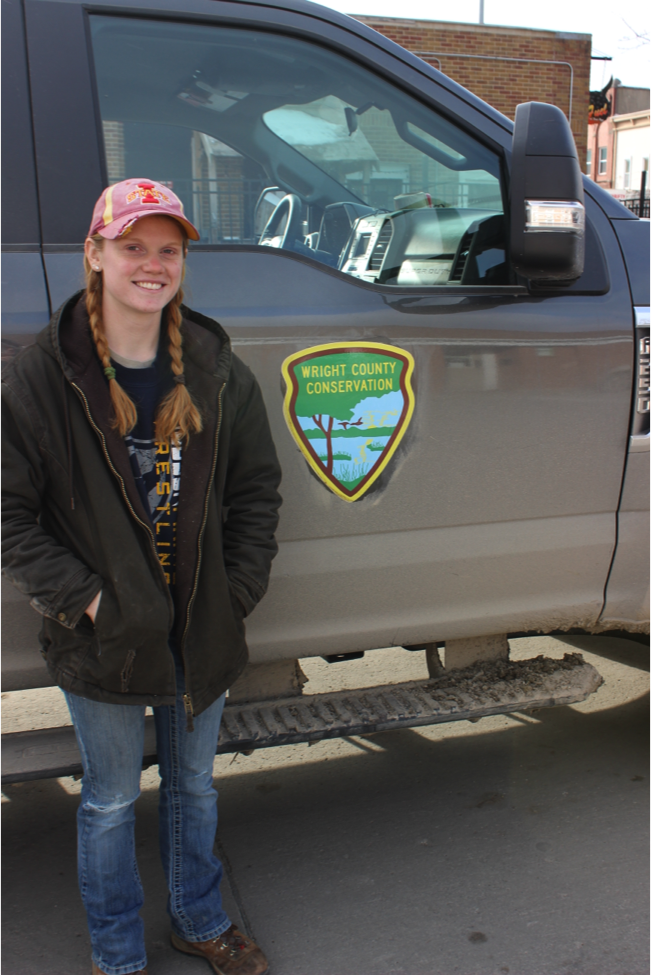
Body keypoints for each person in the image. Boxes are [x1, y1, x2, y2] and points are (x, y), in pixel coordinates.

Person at [0, 178, 282, 975]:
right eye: (132, 246)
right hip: (105, 639)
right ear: (95, 255)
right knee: (111, 798)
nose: (151, 265)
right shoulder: (43, 381)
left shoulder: (218, 373)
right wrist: (88, 601)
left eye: (168, 250)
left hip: (203, 627)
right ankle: (117, 953)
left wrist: (234, 595)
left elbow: (257, 492)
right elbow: (8, 513)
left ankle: (197, 918)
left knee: (195, 788)